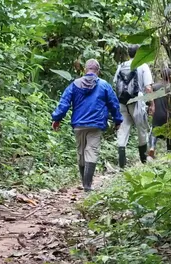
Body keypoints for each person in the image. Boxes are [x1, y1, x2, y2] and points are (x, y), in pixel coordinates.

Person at [52, 59, 122, 191]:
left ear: (85, 70)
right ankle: (87, 185)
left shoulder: (74, 84)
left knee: (81, 152)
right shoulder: (104, 85)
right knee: (92, 151)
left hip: (78, 124)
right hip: (96, 124)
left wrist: (57, 119)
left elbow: (64, 103)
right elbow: (114, 104)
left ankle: (85, 183)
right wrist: (118, 120)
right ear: (98, 71)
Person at [113, 44, 154, 167]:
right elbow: (148, 88)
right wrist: (151, 104)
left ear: (128, 53)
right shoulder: (143, 66)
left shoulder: (121, 66)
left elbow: (115, 83)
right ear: (139, 53)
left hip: (122, 102)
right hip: (137, 101)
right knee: (141, 130)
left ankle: (122, 166)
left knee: (123, 131)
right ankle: (144, 161)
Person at [148, 67, 171, 158]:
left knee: (154, 131)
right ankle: (169, 151)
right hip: (168, 115)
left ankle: (152, 147)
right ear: (170, 76)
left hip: (157, 114)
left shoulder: (154, 87)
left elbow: (149, 98)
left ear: (161, 76)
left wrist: (151, 108)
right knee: (170, 133)